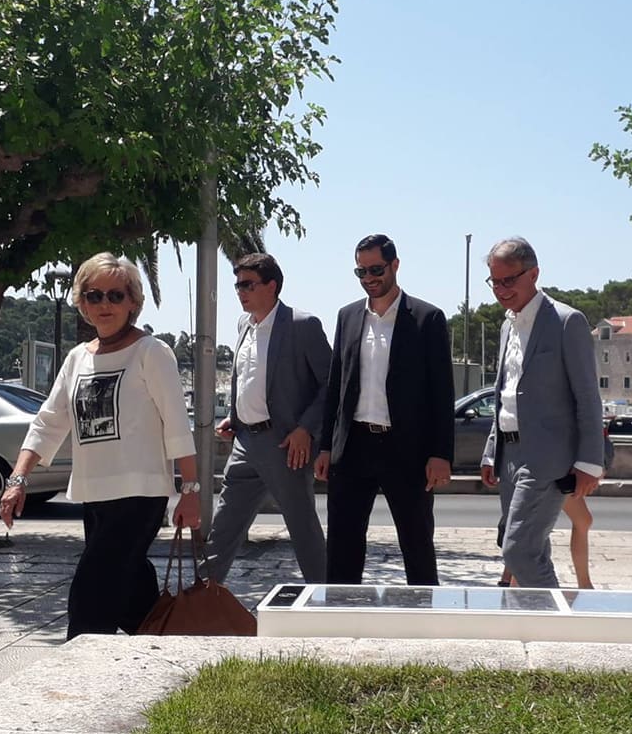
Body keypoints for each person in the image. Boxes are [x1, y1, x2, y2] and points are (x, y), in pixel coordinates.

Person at [0, 253, 200, 640]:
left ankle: (79, 664)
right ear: (83, 303)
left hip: (140, 494)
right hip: (95, 493)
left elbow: (177, 425)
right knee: (129, 590)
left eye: (115, 295)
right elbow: (49, 421)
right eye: (94, 295)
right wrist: (18, 479)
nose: (105, 304)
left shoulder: (151, 353)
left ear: (133, 302)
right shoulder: (78, 358)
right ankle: (164, 642)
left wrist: (190, 491)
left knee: (90, 595)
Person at [314, 234, 454, 585]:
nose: (368, 278)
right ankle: (341, 610)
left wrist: (440, 453)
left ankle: (425, 612)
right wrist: (326, 446)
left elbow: (442, 392)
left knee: (417, 543)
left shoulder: (427, 318)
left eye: (376, 269)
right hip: (353, 447)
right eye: (360, 271)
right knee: (343, 544)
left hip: (406, 449)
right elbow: (336, 387)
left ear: (395, 265)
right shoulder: (347, 317)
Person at [480, 237, 604, 588]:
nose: (501, 290)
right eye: (494, 282)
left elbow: (588, 397)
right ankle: (535, 616)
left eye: (509, 280)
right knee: (530, 548)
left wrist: (589, 462)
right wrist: (491, 451)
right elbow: (505, 393)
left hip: (547, 458)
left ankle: (555, 616)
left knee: (518, 551)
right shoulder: (507, 325)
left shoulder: (566, 322)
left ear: (533, 274)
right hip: (509, 455)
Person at [201, 253, 331, 584]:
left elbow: (332, 385)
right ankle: (201, 597)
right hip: (244, 442)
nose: (240, 292)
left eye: (248, 285)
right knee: (224, 525)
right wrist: (236, 417)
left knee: (302, 527)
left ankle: (325, 595)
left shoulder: (302, 326)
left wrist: (306, 429)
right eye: (237, 285)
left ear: (271, 286)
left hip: (284, 445)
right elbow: (248, 379)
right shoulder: (244, 325)